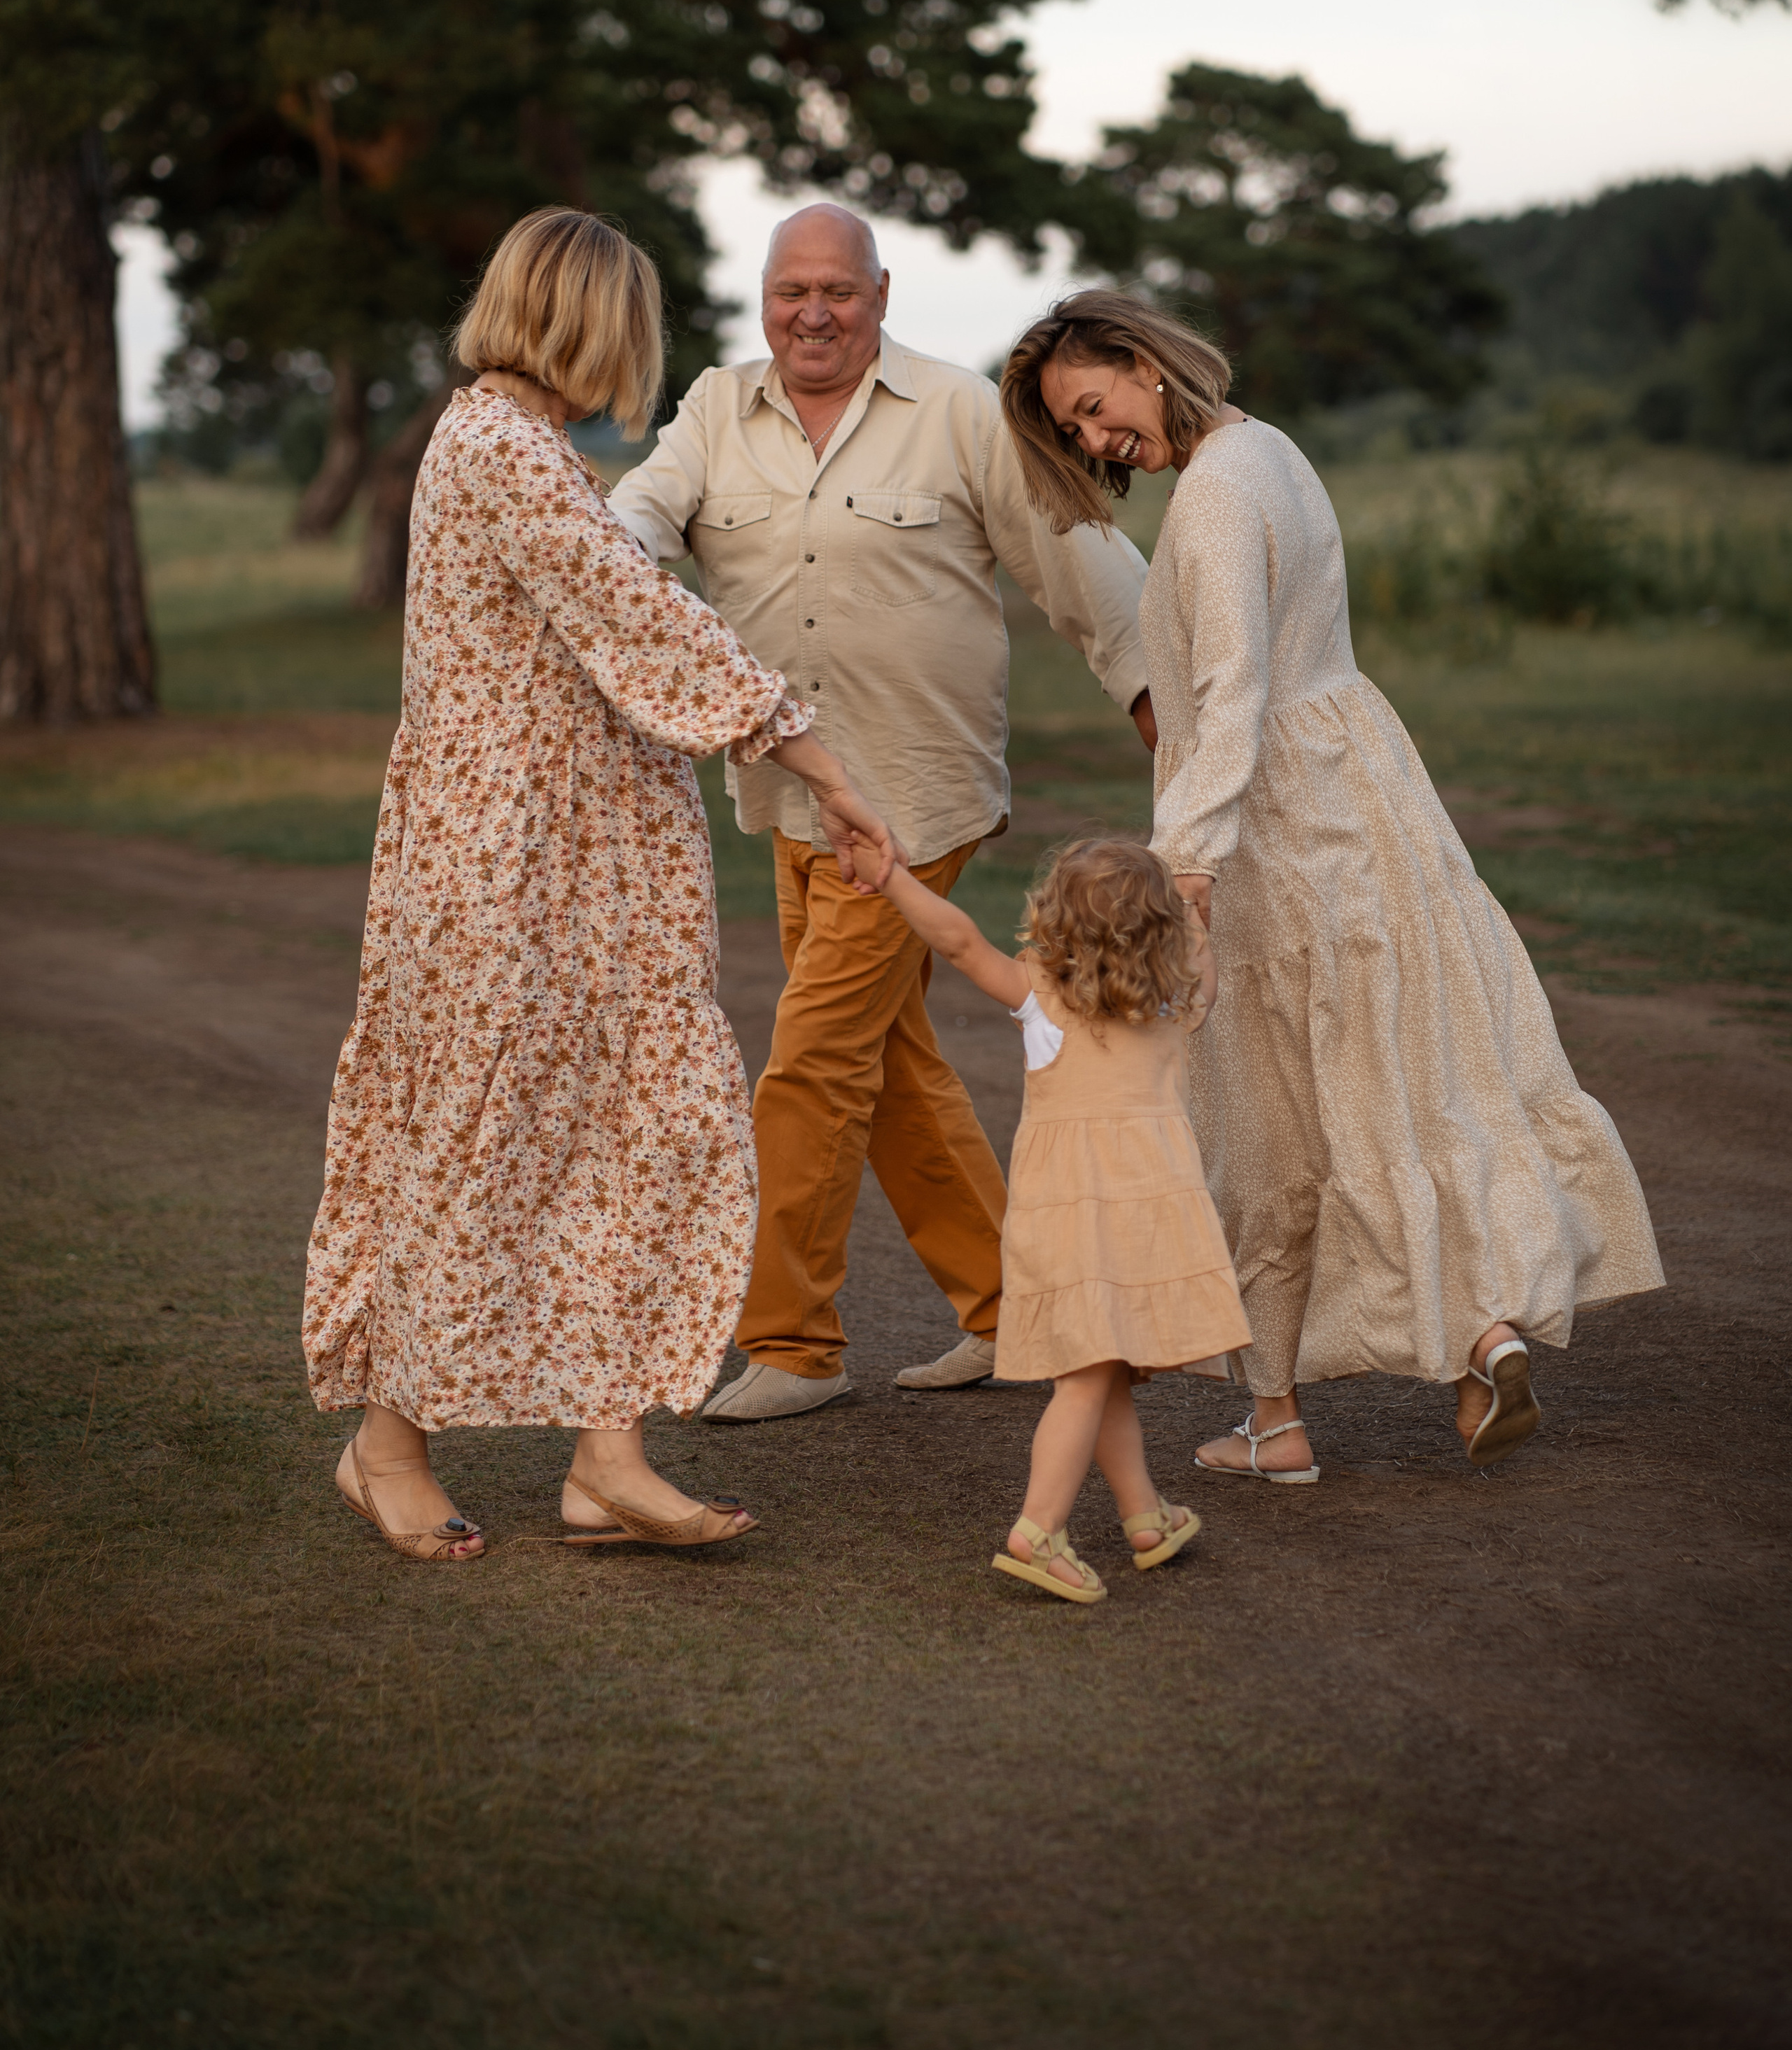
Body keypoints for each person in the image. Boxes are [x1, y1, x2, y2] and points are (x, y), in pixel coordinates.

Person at [300, 208, 897, 1560]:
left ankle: (608, 1453)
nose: (642, 350)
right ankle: (386, 1442)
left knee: (647, 1127)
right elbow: (649, 624)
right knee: (476, 1134)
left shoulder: (534, 447)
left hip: (591, 871)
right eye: (633, 325)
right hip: (502, 868)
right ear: (587, 321)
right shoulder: (498, 451)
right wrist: (825, 766)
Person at [1000, 289, 1665, 1481]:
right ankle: (1481, 1340)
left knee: (1266, 1115)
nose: (1097, 444)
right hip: (1363, 791)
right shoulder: (1270, 449)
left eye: (1094, 409)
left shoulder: (1206, 503)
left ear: (1146, 364)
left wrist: (1187, 875)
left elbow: (1235, 696)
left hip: (1272, 834)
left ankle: (1280, 1421)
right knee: (1396, 1084)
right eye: (1074, 433)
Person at [606, 206, 1155, 1420]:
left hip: (915, 800)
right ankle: (1021, 1316)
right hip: (791, 795)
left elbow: (1081, 565)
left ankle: (794, 1344)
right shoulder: (714, 410)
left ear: (881, 292)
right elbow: (639, 518)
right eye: (791, 289)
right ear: (764, 296)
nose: (814, 312)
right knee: (894, 1063)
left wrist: (1171, 707)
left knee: (810, 1064)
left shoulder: (959, 412)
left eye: (838, 292)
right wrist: (604, 566)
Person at [851, 831, 1250, 1600]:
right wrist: (1196, 916)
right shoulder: (1171, 1004)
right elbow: (1202, 967)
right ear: (1161, 928)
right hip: (1145, 1222)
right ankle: (1037, 1531)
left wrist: (892, 877)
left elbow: (958, 939)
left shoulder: (1038, 993)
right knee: (1089, 1376)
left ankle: (1144, 1517)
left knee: (1097, 1373)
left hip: (1064, 1220)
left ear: (1054, 920)